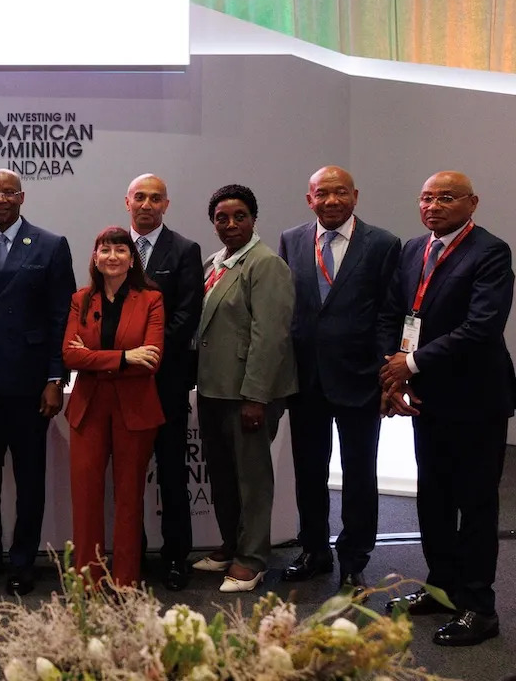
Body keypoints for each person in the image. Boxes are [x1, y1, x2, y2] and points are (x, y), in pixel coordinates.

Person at [380, 171, 513, 647]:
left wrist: (410, 363)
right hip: (428, 397)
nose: (434, 205)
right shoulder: (413, 249)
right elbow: (397, 313)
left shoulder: (491, 252)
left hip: (476, 399)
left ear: (472, 203)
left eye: (446, 197)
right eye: (426, 197)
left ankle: (480, 608)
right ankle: (443, 589)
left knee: (475, 504)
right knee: (433, 500)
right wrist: (392, 373)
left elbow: (482, 327)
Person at [277, 166, 400, 592]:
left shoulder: (383, 244)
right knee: (308, 471)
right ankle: (313, 550)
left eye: (340, 192)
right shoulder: (292, 239)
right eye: (322, 193)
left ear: (355, 196)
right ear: (309, 198)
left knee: (359, 473)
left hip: (359, 377)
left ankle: (354, 558)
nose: (331, 200)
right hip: (306, 378)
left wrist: (388, 372)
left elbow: (390, 312)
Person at [0, 169, 75, 596]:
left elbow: (63, 316)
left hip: (31, 386)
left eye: (9, 192)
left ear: (22, 197)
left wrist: (54, 378)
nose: (2, 198)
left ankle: (24, 559)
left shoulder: (50, 245)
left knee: (30, 480)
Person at [193, 184, 296, 593]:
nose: (230, 224)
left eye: (239, 216)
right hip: (214, 389)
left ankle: (252, 559)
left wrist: (256, 396)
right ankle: (231, 545)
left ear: (254, 219)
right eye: (222, 217)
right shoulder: (214, 262)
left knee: (252, 478)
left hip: (247, 394)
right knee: (221, 475)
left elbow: (269, 336)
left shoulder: (265, 264)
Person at [61, 227, 165, 587]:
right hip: (88, 407)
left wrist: (95, 357)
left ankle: (125, 581)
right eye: (105, 250)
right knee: (86, 497)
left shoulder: (151, 299)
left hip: (134, 410)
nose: (112, 256)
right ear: (95, 257)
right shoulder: (81, 299)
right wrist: (123, 358)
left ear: (131, 258)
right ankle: (87, 580)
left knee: (129, 497)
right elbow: (69, 355)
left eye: (121, 250)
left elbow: (151, 359)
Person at [123, 173, 203, 591]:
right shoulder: (114, 248)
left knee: (172, 474)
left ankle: (176, 558)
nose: (147, 204)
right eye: (140, 197)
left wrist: (149, 356)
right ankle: (130, 556)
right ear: (127, 202)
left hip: (165, 382)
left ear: (166, 205)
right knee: (129, 476)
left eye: (156, 198)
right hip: (123, 387)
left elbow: (187, 313)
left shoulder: (185, 250)